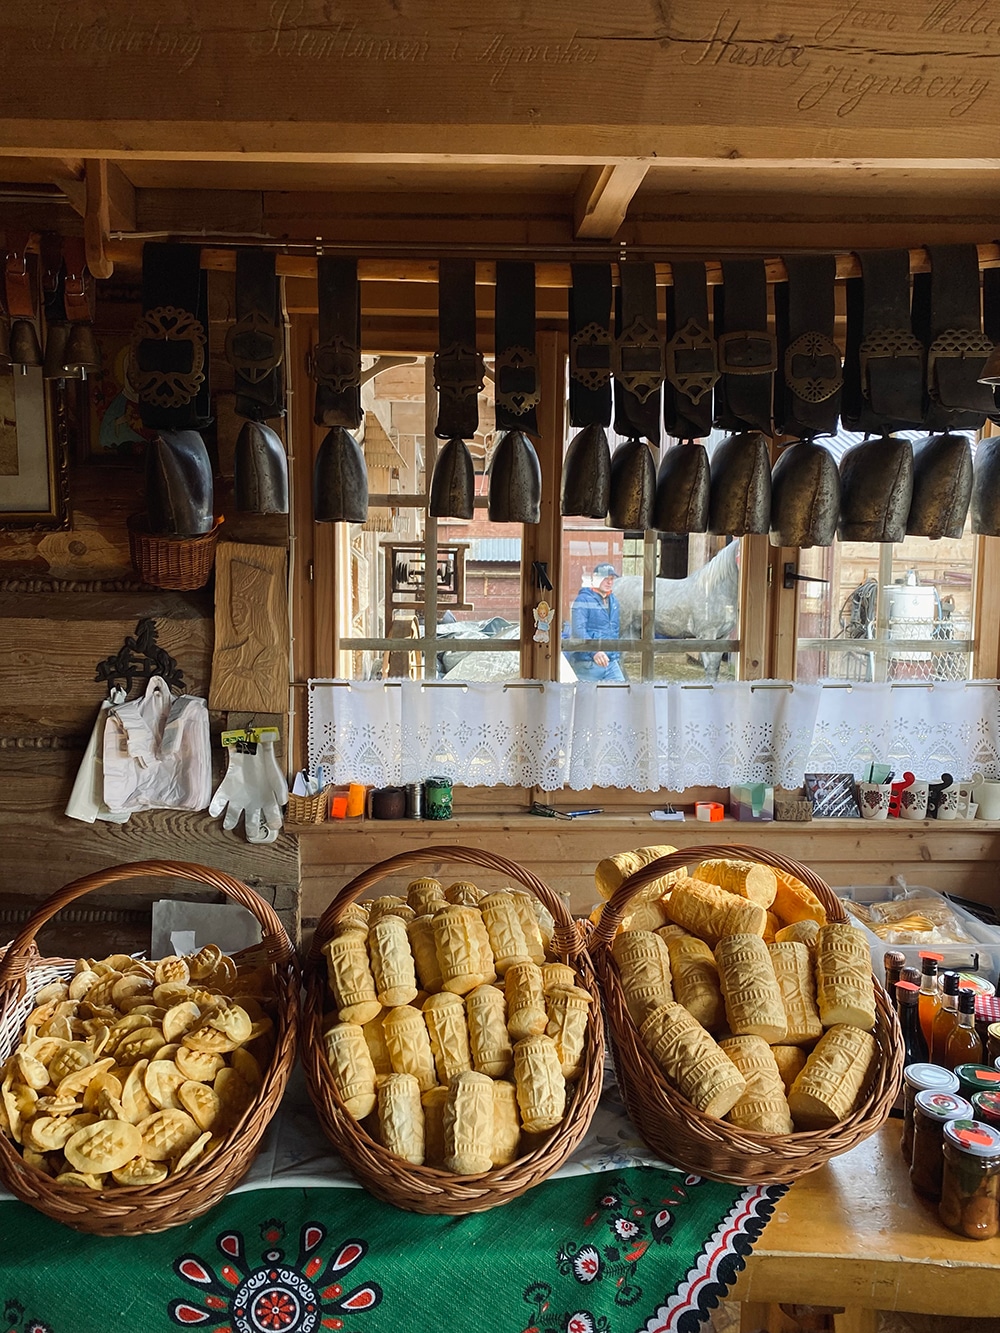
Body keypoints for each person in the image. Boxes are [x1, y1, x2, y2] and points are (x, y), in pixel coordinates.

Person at [567, 563, 626, 681]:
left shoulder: (613, 601)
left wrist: (615, 656)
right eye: (605, 578)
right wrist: (594, 651)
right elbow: (578, 631)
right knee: (588, 697)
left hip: (610, 661)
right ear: (594, 578)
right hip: (588, 663)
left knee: (619, 694)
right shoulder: (583, 600)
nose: (609, 582)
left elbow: (615, 631)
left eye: (611, 579)